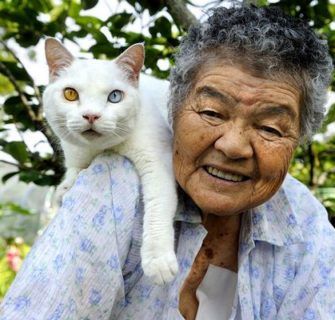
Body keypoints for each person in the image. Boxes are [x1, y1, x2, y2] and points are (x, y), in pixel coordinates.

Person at [1, 4, 334, 320]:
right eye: (212, 112)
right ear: (172, 109)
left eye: (269, 127)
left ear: (299, 139)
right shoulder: (111, 190)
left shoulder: (304, 224)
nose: (233, 146)